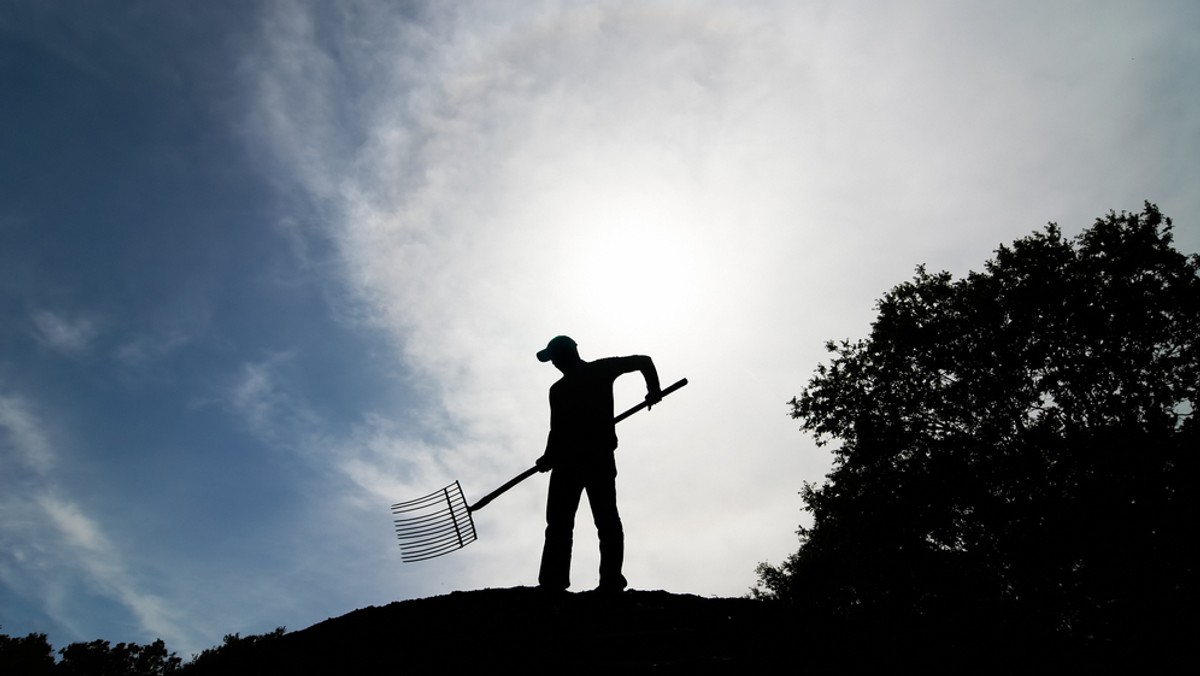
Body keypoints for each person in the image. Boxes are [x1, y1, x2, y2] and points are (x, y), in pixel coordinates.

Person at [534, 335, 661, 594]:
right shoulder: (557, 390)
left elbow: (643, 361)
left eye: (555, 357)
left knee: (605, 520)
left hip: (596, 457)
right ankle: (553, 582)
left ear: (568, 354)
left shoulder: (599, 369)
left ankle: (610, 581)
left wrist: (654, 389)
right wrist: (548, 456)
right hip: (567, 462)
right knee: (559, 523)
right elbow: (556, 429)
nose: (554, 364)